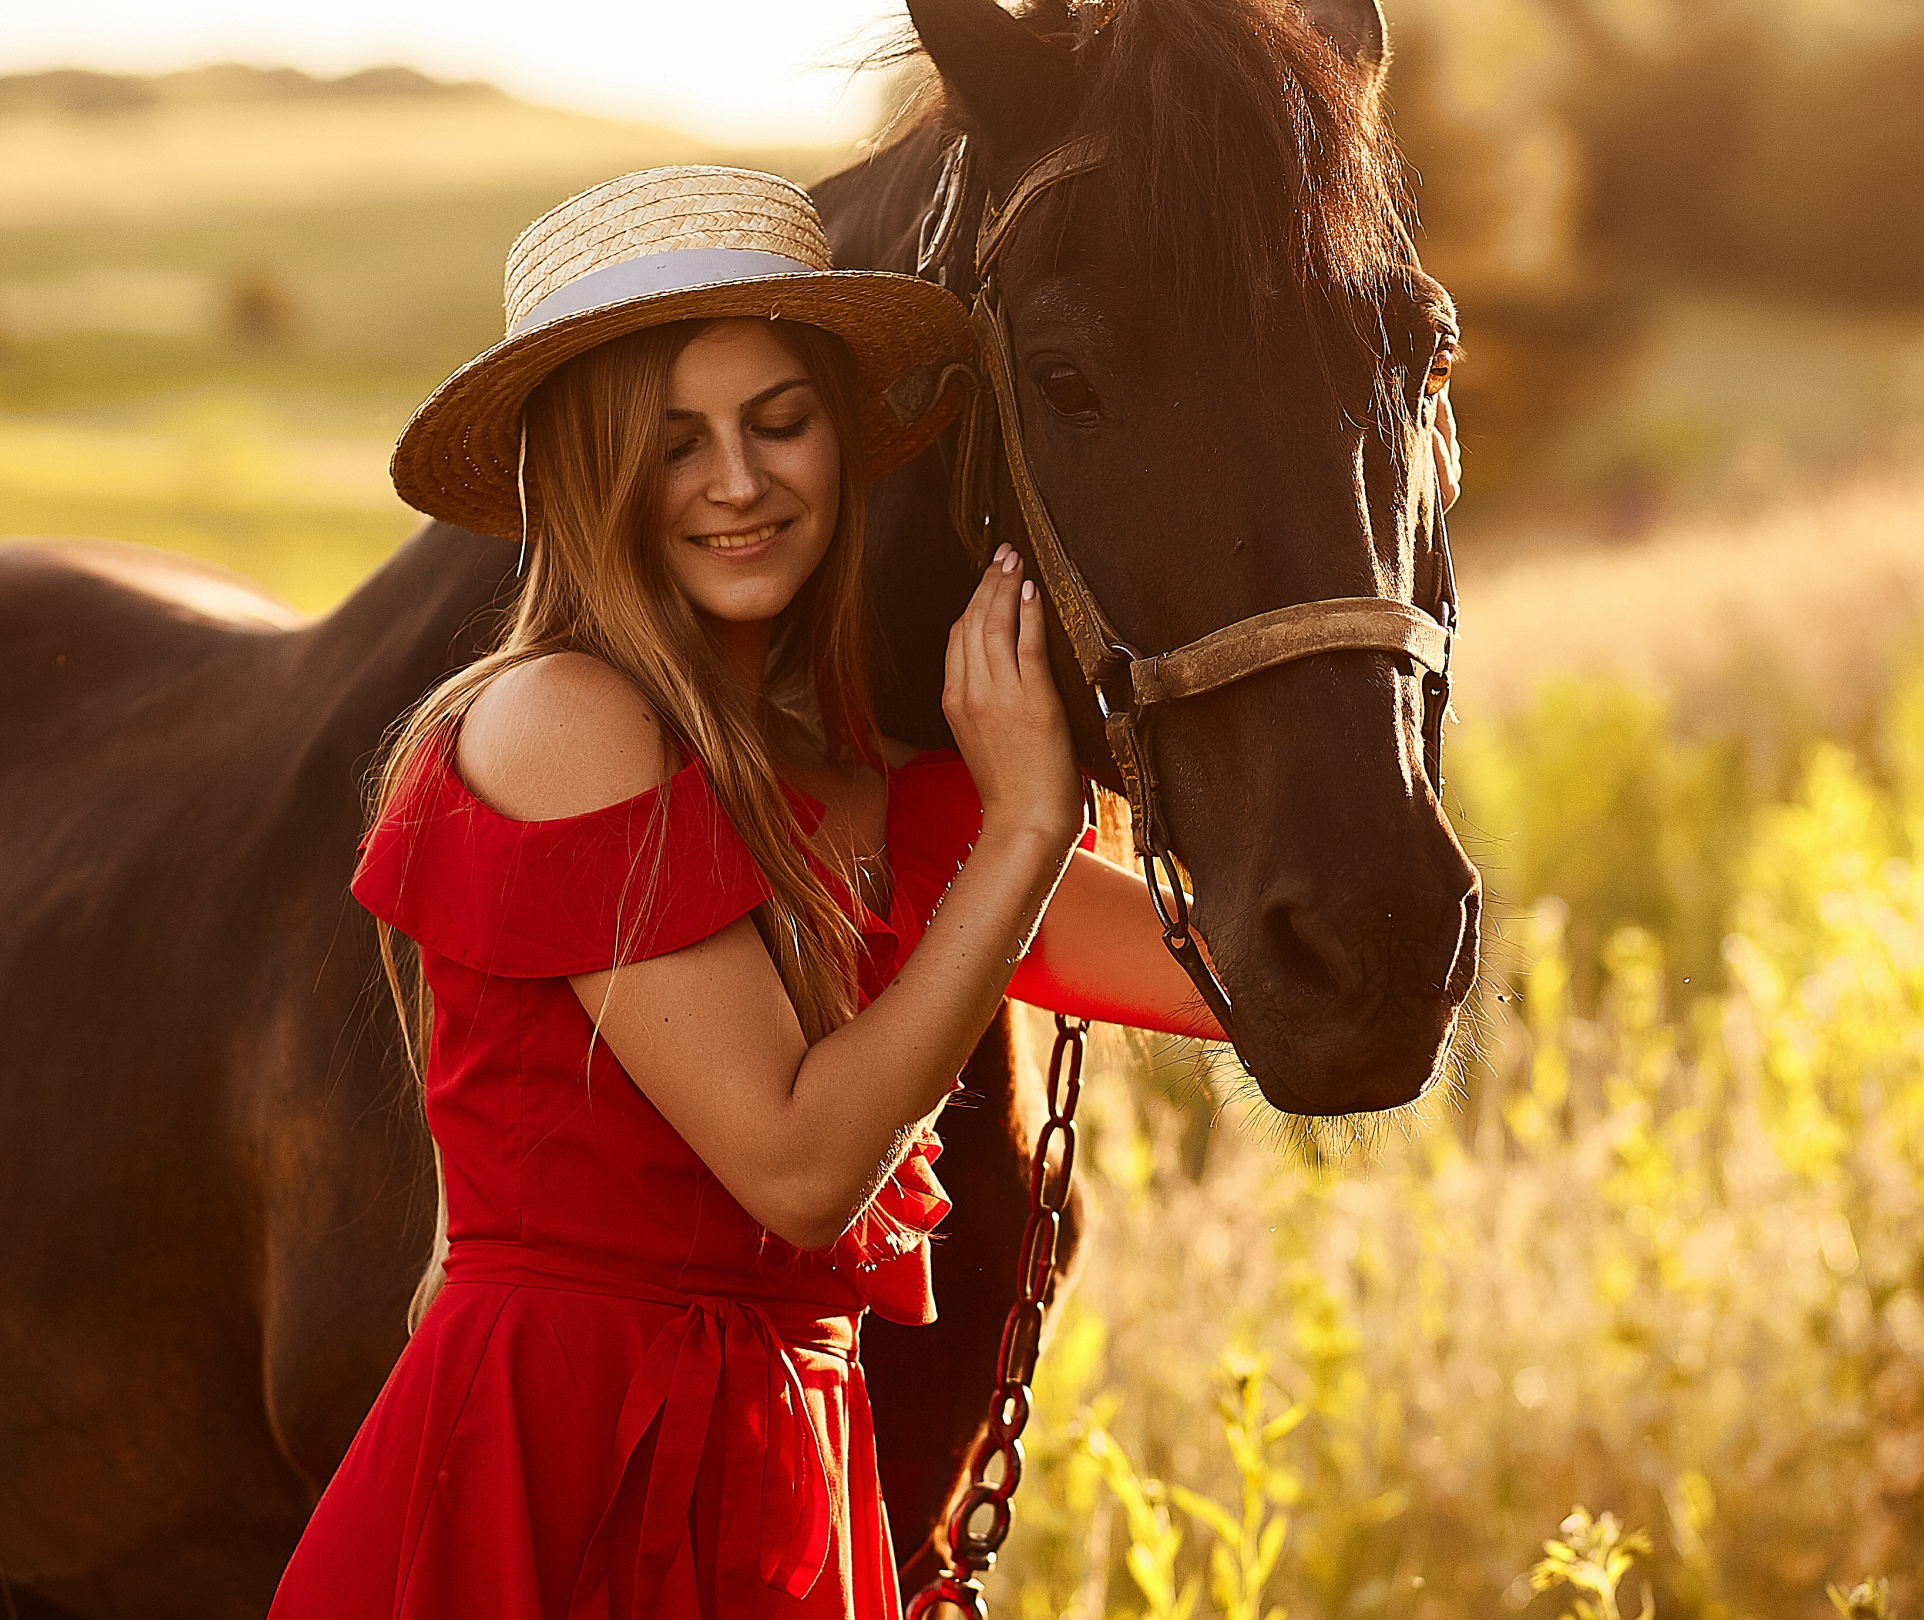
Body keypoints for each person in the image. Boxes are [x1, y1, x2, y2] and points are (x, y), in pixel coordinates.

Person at [267, 165, 1242, 1620]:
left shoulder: (885, 794)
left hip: (785, 1472)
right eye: (674, 444)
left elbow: (1243, 983)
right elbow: (796, 1172)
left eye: (780, 424)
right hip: (559, 1473)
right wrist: (1031, 817)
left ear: (844, 452)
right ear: (595, 476)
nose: (739, 480)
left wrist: (1278, 608)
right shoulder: (558, 725)